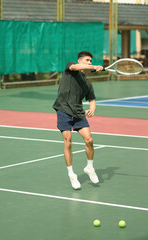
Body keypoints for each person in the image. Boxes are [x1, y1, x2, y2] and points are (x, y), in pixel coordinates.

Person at [53, 51, 103, 190]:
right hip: (63, 109)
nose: (89, 63)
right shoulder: (70, 68)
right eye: (87, 60)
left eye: (90, 61)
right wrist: (94, 66)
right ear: (79, 61)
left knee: (89, 140)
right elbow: (75, 67)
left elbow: (92, 100)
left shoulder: (87, 84)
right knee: (68, 141)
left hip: (79, 112)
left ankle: (89, 167)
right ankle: (71, 174)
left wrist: (93, 108)